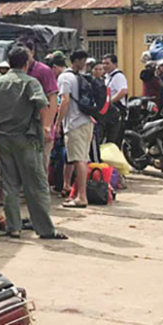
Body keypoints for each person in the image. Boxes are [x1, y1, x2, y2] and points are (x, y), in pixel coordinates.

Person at [0, 47, 67, 240]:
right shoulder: (30, 82)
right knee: (36, 185)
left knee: (9, 185)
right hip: (26, 138)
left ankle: (13, 227)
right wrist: (45, 127)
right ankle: (45, 229)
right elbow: (43, 105)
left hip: (3, 138)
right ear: (26, 63)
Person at [56, 50, 94, 208]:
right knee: (83, 159)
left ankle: (82, 196)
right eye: (83, 60)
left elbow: (64, 101)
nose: (84, 63)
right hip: (87, 121)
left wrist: (58, 123)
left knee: (79, 161)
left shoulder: (65, 77)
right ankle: (77, 193)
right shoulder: (82, 77)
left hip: (74, 123)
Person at [21, 38, 60, 173]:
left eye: (25, 52)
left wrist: (47, 127)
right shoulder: (18, 71)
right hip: (24, 128)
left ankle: (42, 193)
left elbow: (53, 100)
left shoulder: (44, 71)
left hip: (42, 126)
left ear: (32, 52)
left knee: (41, 166)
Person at [102, 54, 129, 146]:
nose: (105, 66)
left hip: (117, 110)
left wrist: (109, 102)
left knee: (114, 138)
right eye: (103, 63)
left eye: (107, 63)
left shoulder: (118, 76)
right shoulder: (107, 77)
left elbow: (123, 91)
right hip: (108, 110)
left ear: (115, 64)